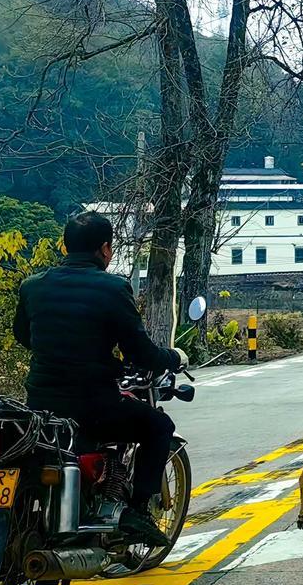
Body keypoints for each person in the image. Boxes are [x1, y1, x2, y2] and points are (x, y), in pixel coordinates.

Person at [13, 211, 187, 547]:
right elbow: (142, 353)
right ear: (105, 249)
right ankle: (137, 512)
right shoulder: (113, 288)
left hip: (40, 407)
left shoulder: (33, 286)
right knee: (158, 426)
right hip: (93, 407)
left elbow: (24, 335)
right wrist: (174, 357)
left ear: (66, 245)